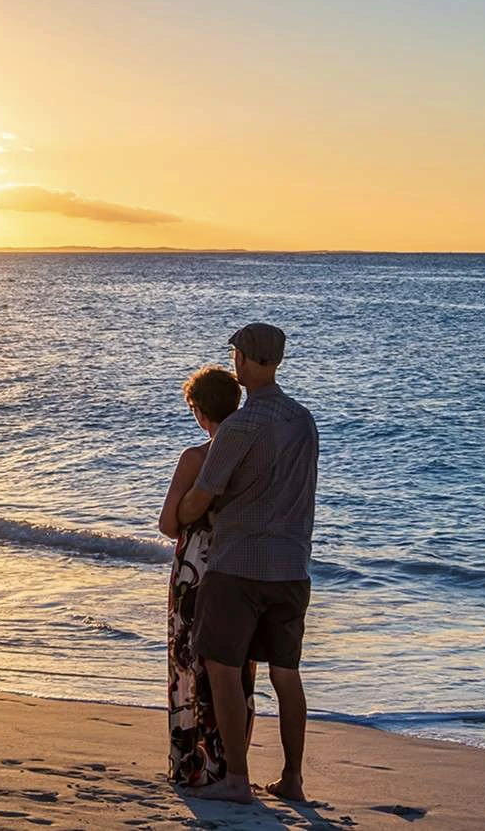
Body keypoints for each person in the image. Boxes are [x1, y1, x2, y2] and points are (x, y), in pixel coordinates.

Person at [176, 322, 319, 804]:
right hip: (293, 565)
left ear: (243, 360)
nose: (234, 362)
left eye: (235, 355)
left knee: (224, 668)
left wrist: (180, 517)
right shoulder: (303, 420)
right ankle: (293, 779)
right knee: (285, 673)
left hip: (239, 565)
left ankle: (236, 779)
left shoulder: (240, 425)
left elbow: (202, 495)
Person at [159, 365, 257, 787]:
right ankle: (229, 762)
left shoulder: (196, 458)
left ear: (199, 411)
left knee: (188, 660)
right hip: (241, 565)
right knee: (236, 666)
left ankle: (192, 764)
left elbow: (168, 524)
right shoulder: (251, 459)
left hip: (195, 571)